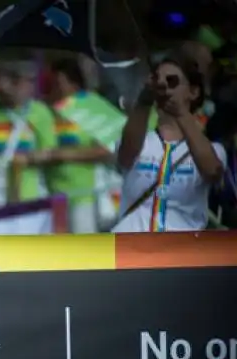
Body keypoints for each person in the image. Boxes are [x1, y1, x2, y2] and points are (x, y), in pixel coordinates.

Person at [113, 52, 226, 233]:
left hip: (182, 254)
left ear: (193, 92)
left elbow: (212, 171)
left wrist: (181, 114)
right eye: (158, 81)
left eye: (172, 81)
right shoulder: (140, 139)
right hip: (131, 250)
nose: (164, 87)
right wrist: (143, 101)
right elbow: (125, 156)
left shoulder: (212, 149)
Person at [0, 59, 58, 209]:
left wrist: (27, 158)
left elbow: (50, 152)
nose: (3, 88)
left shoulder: (40, 112)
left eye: (16, 82)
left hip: (29, 197)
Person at [42, 58, 113, 234]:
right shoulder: (45, 110)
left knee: (83, 254)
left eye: (58, 83)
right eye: (49, 83)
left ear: (73, 83)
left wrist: (63, 155)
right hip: (49, 196)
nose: (53, 89)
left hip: (83, 196)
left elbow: (105, 150)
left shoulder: (91, 105)